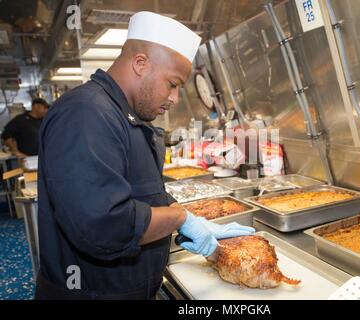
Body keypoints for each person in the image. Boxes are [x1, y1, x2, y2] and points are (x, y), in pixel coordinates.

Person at [35, 11, 255, 300]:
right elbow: (103, 226)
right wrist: (179, 218)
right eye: (173, 84)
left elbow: (145, 195)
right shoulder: (85, 113)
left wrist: (186, 216)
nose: (175, 99)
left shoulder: (129, 120)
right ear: (140, 64)